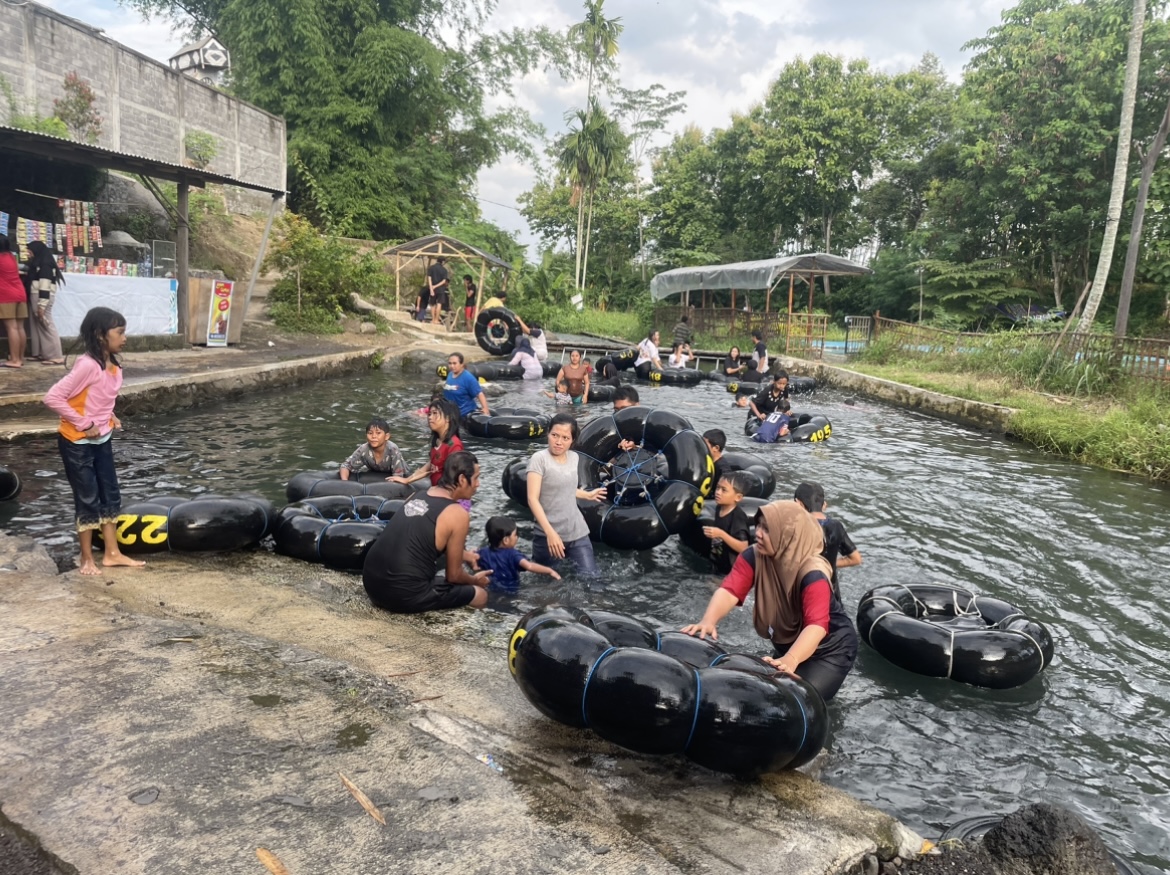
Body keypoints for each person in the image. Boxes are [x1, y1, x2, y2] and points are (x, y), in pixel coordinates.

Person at [681, 500, 858, 702]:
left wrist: (791, 660)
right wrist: (708, 621)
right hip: (788, 642)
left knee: (798, 701)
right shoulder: (755, 555)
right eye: (759, 525)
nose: (758, 533)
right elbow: (730, 590)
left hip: (830, 650)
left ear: (787, 535)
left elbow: (816, 626)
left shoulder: (813, 573)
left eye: (767, 529)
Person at [42, 307, 146, 576]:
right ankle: (86, 558)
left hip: (102, 439)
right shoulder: (87, 365)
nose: (124, 337)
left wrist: (109, 415)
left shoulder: (113, 363)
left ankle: (112, 553)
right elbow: (52, 398)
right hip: (77, 443)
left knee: (109, 494)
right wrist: (84, 423)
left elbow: (98, 397)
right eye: (119, 332)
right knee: (87, 498)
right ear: (101, 335)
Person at [362, 451, 492, 613]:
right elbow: (454, 576)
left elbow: (423, 539)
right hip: (400, 595)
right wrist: (475, 580)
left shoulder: (418, 495)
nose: (478, 484)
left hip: (371, 584)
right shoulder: (458, 513)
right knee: (480, 594)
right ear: (462, 480)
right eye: (476, 478)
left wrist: (466, 555)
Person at [527, 412, 606, 575]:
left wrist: (587, 495)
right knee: (550, 585)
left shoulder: (574, 458)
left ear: (572, 440)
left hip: (577, 531)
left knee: (591, 579)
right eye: (555, 435)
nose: (558, 442)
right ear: (548, 433)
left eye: (565, 438)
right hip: (548, 536)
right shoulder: (539, 459)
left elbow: (565, 489)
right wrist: (550, 533)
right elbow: (532, 498)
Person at [794, 482, 862, 593]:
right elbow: (856, 559)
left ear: (799, 504)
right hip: (831, 593)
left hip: (805, 591)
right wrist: (828, 563)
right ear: (824, 505)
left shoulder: (796, 526)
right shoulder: (836, 526)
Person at [390, 398, 464, 490]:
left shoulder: (454, 445)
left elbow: (454, 478)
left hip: (446, 493)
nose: (429, 417)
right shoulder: (438, 441)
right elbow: (431, 465)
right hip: (436, 489)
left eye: (435, 413)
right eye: (429, 414)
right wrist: (407, 480)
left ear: (448, 418)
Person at [477, 515, 561, 594]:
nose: (517, 537)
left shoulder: (482, 552)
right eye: (515, 534)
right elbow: (529, 566)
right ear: (506, 540)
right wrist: (550, 571)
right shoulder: (513, 554)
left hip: (491, 590)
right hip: (511, 591)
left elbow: (471, 560)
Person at [702, 472, 752, 575]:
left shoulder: (738, 518)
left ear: (738, 497)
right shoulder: (719, 508)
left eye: (723, 490)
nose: (718, 492)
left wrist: (721, 534)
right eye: (717, 488)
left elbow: (743, 547)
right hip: (718, 562)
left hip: (731, 571)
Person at [25, 240, 64, 365]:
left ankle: (56, 355)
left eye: (30, 251)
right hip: (37, 295)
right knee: (37, 325)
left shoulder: (45, 265)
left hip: (42, 296)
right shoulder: (39, 263)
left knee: (45, 323)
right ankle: (41, 352)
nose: (28, 253)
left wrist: (42, 305)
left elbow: (45, 285)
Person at [339, 417, 407, 481]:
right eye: (370, 433)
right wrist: (345, 482)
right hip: (375, 475)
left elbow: (398, 476)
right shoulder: (364, 449)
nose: (373, 436)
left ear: (386, 436)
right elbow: (346, 466)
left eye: (378, 433)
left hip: (401, 475)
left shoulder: (392, 449)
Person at [0, 235, 29, 369]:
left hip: (6, 295)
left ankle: (14, 360)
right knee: (19, 327)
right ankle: (20, 358)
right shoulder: (11, 257)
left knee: (11, 327)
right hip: (20, 293)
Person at [443, 352, 490, 418]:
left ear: (461, 364)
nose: (452, 366)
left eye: (454, 363)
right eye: (450, 363)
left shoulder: (468, 378)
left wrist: (485, 409)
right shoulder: (450, 374)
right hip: (452, 413)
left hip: (466, 414)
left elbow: (479, 394)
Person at [427, 257, 449, 326]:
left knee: (432, 304)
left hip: (432, 289)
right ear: (442, 262)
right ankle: (436, 320)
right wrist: (436, 286)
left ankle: (433, 319)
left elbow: (429, 279)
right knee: (439, 303)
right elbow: (444, 281)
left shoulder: (431, 268)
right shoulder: (444, 270)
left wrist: (431, 288)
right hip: (441, 289)